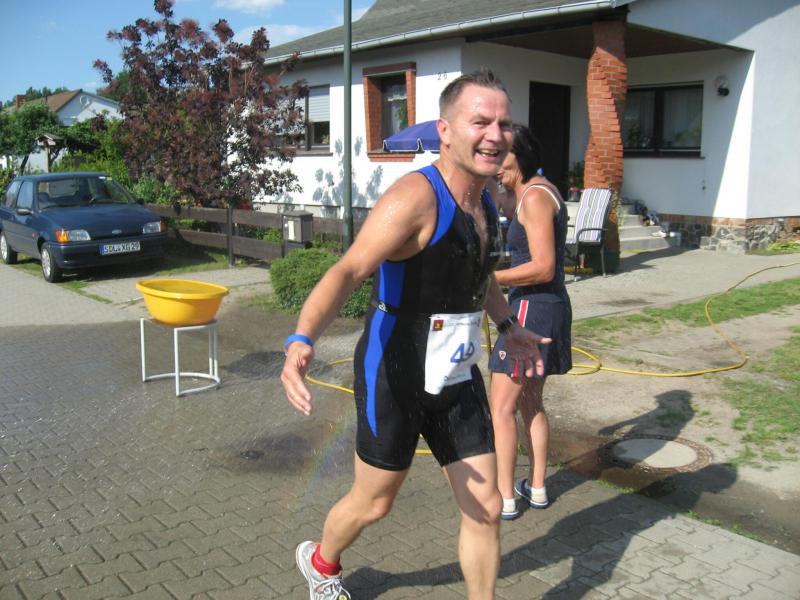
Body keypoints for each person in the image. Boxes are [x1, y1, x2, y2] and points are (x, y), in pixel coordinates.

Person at [280, 70, 551, 600]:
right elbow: (348, 270)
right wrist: (301, 340)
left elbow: (481, 274)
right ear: (444, 131)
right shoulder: (415, 199)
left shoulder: (486, 201)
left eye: (504, 123)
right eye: (480, 121)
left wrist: (508, 326)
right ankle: (321, 561)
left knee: (486, 507)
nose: (495, 135)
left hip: (455, 373)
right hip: (394, 372)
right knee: (375, 502)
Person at [488, 124, 573, 520]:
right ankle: (536, 488)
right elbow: (502, 203)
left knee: (501, 407)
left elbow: (543, 267)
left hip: (531, 309)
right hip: (546, 307)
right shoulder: (532, 191)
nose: (495, 165)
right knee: (530, 400)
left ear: (519, 155)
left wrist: (489, 279)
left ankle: (504, 497)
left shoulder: (535, 197)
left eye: (500, 156)